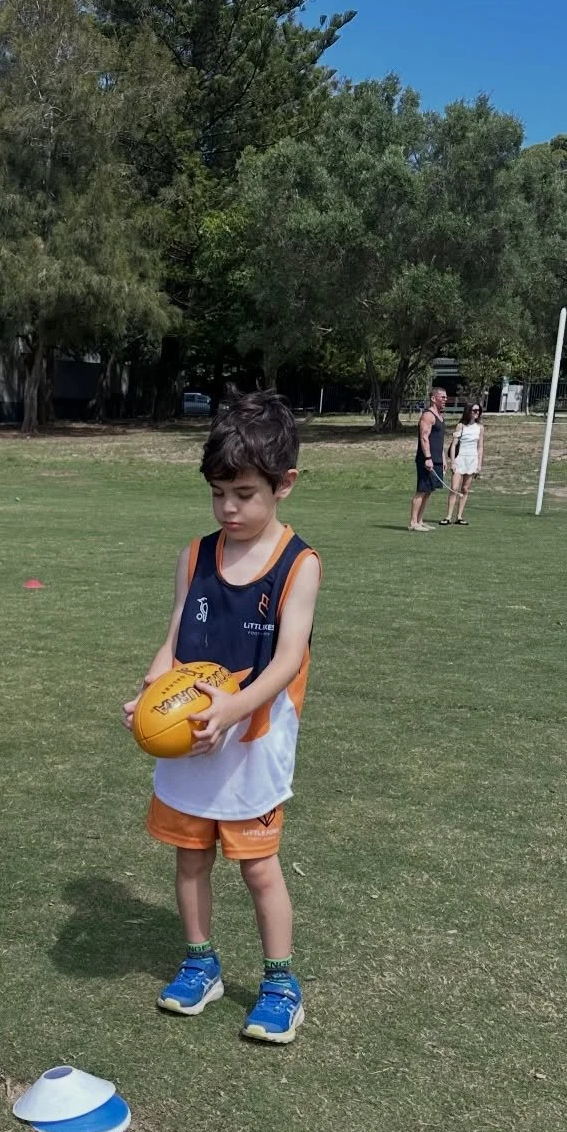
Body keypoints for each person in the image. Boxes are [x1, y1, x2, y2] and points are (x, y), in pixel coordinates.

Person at [123, 390, 322, 1044]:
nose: (229, 509)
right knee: (188, 859)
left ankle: (280, 984)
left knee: (259, 868)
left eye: (243, 493)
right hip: (191, 744)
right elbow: (176, 639)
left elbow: (289, 658)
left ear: (284, 484)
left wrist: (234, 708)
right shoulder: (195, 555)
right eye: (218, 494)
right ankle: (201, 964)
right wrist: (151, 692)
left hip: (253, 742)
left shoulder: (300, 565)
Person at [408, 386, 448, 531]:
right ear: (433, 398)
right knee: (422, 489)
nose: (445, 400)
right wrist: (428, 458)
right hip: (426, 459)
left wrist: (443, 459)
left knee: (429, 490)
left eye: (445, 397)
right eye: (442, 397)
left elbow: (439, 440)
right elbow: (424, 438)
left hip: (437, 458)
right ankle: (413, 522)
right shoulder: (428, 415)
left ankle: (420, 520)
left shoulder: (440, 416)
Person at [443, 402, 485, 525]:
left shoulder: (480, 428)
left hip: (472, 459)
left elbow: (480, 447)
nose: (476, 413)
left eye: (478, 411)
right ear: (468, 411)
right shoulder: (460, 426)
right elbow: (454, 444)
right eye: (474, 410)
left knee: (465, 488)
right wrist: (453, 462)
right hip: (460, 458)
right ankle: (448, 516)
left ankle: (459, 516)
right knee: (454, 488)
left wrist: (479, 464)